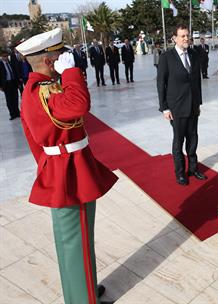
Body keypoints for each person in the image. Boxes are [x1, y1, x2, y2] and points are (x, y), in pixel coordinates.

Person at [16, 27, 117, 304]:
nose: (64, 57)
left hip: (62, 168)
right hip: (70, 172)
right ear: (49, 61)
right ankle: (82, 299)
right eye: (59, 53)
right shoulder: (43, 91)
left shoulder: (34, 89)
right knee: (77, 241)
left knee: (74, 240)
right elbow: (79, 105)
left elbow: (32, 140)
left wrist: (48, 166)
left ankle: (82, 290)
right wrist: (71, 74)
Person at [157, 24, 207, 186]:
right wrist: (164, 107)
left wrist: (198, 103)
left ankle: (193, 169)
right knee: (178, 141)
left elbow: (196, 81)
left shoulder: (193, 54)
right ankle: (180, 173)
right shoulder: (166, 57)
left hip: (192, 106)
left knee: (193, 139)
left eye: (187, 35)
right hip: (176, 108)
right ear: (175, 38)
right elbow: (161, 84)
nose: (186, 38)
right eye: (183, 36)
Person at [0, 48, 20, 120]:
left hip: (13, 82)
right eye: (4, 56)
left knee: (15, 98)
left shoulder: (10, 63)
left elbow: (15, 72)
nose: (5, 57)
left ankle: (17, 112)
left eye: (6, 56)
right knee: (9, 100)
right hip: (6, 84)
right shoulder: (0, 64)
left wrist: (18, 82)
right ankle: (12, 114)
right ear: (1, 56)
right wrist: (1, 86)